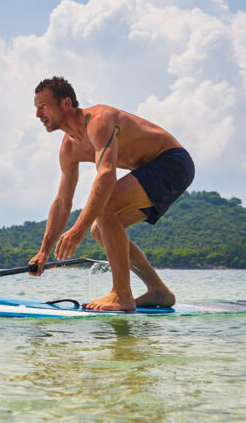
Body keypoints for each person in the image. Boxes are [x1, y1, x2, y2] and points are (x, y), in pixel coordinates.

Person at [27, 76, 194, 311]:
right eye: (35, 108)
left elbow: (106, 174)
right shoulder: (68, 148)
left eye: (43, 106)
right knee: (100, 230)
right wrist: (43, 251)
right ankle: (159, 291)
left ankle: (121, 295)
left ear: (66, 103)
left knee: (105, 208)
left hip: (172, 162)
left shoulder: (98, 120)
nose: (37, 114)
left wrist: (78, 228)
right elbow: (63, 202)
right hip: (152, 171)